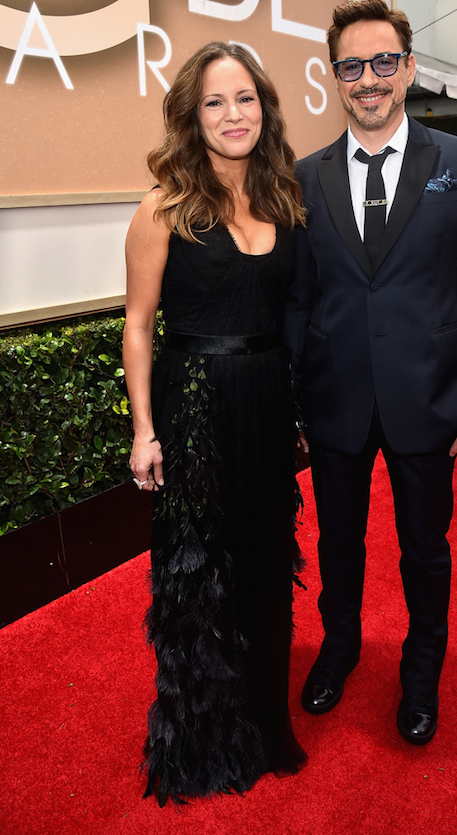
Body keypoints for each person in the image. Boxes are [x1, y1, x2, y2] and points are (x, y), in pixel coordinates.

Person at [285, 0, 457, 747]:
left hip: (431, 398)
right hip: (335, 400)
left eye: (384, 61)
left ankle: (421, 679)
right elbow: (299, 297)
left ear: (409, 68)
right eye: (352, 66)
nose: (369, 79)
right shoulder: (305, 175)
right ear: (335, 78)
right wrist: (292, 396)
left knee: (425, 547)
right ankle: (341, 648)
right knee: (339, 543)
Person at [123, 42, 307, 806]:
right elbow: (137, 325)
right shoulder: (162, 205)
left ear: (264, 108)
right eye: (214, 102)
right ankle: (203, 738)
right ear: (191, 117)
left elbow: (292, 318)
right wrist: (143, 429)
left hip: (265, 403)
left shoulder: (284, 198)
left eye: (245, 99)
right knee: (200, 577)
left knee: (267, 567)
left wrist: (295, 410)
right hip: (194, 404)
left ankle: (266, 719)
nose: (234, 115)